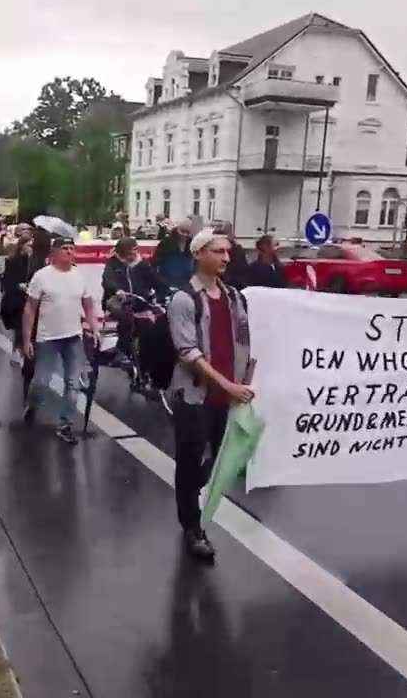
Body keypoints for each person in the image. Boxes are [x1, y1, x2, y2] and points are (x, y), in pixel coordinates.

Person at [167, 229, 254, 564]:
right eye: (218, 251)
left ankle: (193, 502)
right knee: (190, 462)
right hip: (195, 396)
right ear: (199, 254)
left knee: (221, 460)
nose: (226, 258)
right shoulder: (184, 299)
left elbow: (245, 340)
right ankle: (192, 527)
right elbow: (188, 352)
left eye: (228, 252)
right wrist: (227, 384)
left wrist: (244, 382)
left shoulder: (233, 296)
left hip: (227, 396)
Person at [21, 235, 98, 445]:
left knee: (73, 384)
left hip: (73, 336)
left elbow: (88, 304)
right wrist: (26, 339)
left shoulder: (79, 277)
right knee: (41, 383)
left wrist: (93, 325)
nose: (69, 251)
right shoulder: (41, 277)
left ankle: (65, 424)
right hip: (48, 338)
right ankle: (32, 405)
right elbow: (30, 309)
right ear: (53, 253)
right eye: (65, 248)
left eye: (72, 248)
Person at [152, 217, 195, 289]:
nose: (184, 235)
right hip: (167, 285)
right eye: (183, 231)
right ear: (177, 230)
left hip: (186, 285)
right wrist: (160, 282)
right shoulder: (166, 243)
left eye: (187, 232)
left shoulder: (191, 245)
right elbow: (154, 264)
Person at [214, 221, 250, 288]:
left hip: (234, 286)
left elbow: (243, 273)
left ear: (231, 236)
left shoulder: (238, 251)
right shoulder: (213, 251)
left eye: (224, 235)